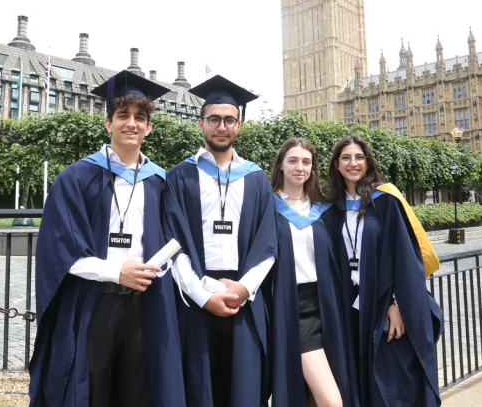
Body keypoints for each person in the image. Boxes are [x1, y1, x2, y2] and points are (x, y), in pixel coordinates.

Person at [29, 71, 185, 407]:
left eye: (140, 118)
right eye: (123, 116)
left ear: (149, 127)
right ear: (107, 123)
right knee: (92, 390)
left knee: (139, 390)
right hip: (95, 301)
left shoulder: (159, 181)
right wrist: (116, 271)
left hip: (146, 302)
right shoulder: (78, 177)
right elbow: (60, 250)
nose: (131, 124)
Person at [161, 75, 278, 407]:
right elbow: (173, 241)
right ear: (201, 124)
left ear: (239, 125)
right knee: (200, 389)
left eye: (229, 120)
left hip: (243, 298)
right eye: (214, 119)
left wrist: (244, 288)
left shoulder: (255, 178)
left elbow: (267, 244)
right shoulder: (180, 176)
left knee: (243, 390)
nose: (221, 126)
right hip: (196, 299)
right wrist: (200, 294)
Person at [327, 135, 443, 407]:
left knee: (391, 382)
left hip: (382, 305)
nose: (353, 163)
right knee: (358, 378)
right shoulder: (332, 208)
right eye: (346, 158)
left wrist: (396, 303)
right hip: (350, 309)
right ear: (336, 164)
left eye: (359, 157)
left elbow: (404, 257)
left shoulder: (385, 199)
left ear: (367, 162)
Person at [268, 138, 357, 407]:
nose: (300, 167)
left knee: (314, 398)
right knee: (332, 401)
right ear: (281, 165)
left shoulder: (326, 209)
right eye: (293, 161)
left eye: (306, 162)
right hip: (292, 307)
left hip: (328, 306)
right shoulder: (265, 206)